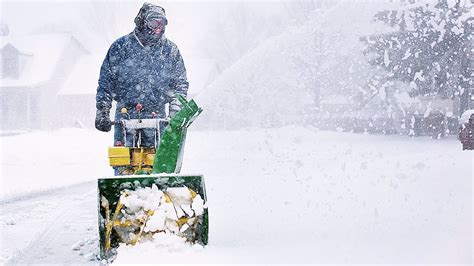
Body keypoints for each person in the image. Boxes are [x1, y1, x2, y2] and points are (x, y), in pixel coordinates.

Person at [95, 2, 188, 147]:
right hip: (125, 114)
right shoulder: (121, 47)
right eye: (153, 23)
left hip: (157, 116)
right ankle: (124, 170)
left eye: (162, 24)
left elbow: (180, 84)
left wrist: (175, 110)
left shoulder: (170, 51)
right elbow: (106, 81)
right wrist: (102, 110)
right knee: (123, 161)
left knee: (156, 163)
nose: (158, 29)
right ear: (142, 23)